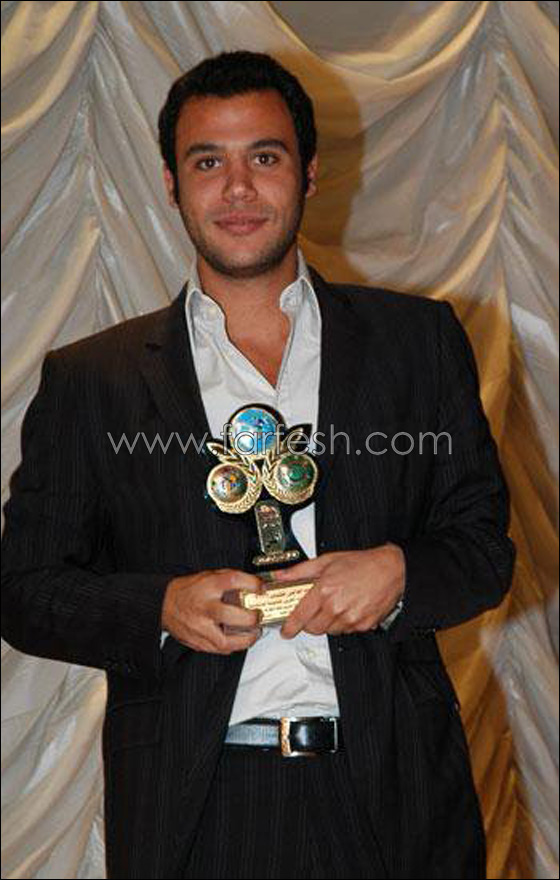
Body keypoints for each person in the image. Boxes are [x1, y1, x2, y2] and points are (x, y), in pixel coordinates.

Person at [1, 51, 515, 880]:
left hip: (397, 795)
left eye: (264, 157)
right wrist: (159, 606)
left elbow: (485, 549)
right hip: (195, 807)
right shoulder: (92, 379)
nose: (237, 189)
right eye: (208, 163)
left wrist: (397, 572)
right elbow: (24, 589)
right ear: (171, 184)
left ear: (308, 173)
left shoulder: (417, 343)